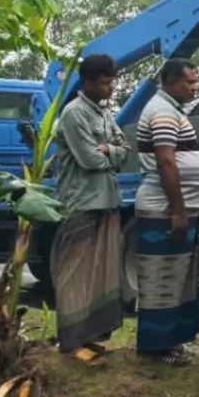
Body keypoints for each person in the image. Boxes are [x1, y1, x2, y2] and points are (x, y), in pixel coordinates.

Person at [51, 54, 129, 364]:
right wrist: (111, 153)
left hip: (106, 200)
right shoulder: (73, 114)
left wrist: (109, 149)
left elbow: (125, 151)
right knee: (75, 273)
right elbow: (89, 160)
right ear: (87, 82)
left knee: (100, 271)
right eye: (105, 83)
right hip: (81, 201)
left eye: (112, 82)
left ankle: (90, 335)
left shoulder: (105, 114)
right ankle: (70, 342)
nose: (111, 88)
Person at [134, 58, 199, 365]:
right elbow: (166, 162)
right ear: (169, 82)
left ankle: (170, 343)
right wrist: (178, 211)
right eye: (189, 83)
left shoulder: (172, 110)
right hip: (164, 208)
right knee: (161, 280)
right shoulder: (163, 112)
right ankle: (154, 348)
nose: (194, 89)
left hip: (179, 207)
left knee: (177, 279)